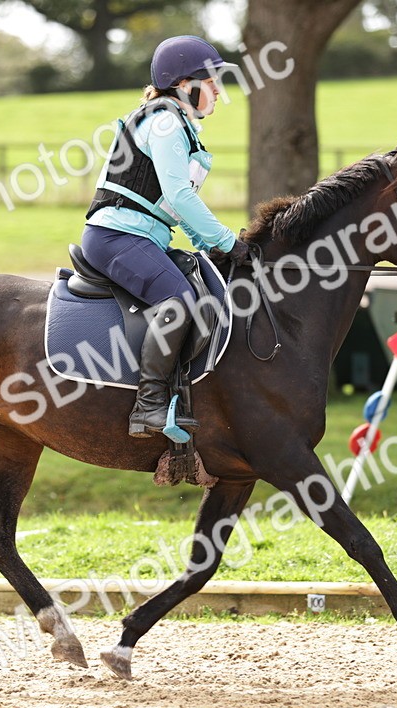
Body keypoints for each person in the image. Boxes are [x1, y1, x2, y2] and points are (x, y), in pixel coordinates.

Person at [82, 34, 253, 439]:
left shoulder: (179, 125)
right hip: (116, 236)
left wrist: (212, 245)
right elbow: (178, 194)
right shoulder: (164, 122)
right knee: (177, 299)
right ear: (182, 84)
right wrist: (227, 240)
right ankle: (149, 406)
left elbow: (176, 205)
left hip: (142, 236)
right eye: (210, 81)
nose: (216, 90)